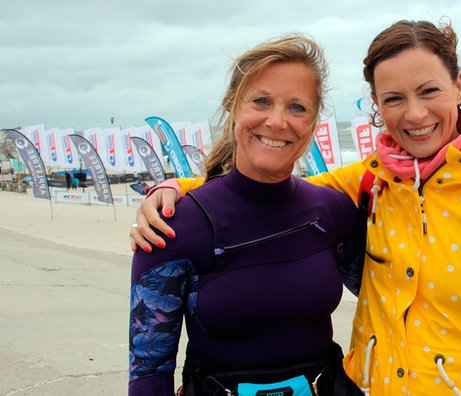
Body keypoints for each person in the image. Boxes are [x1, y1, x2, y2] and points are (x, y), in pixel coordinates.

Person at [130, 19, 461, 395]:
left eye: (429, 91)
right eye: (394, 99)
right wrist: (173, 190)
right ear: (378, 108)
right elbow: (267, 188)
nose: (415, 114)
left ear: (458, 87)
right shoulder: (371, 182)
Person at [128, 34, 364, 396]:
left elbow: (395, 298)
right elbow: (149, 371)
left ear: (314, 121)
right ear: (233, 106)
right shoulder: (171, 226)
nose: (277, 121)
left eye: (297, 107)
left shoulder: (333, 212)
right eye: (261, 101)